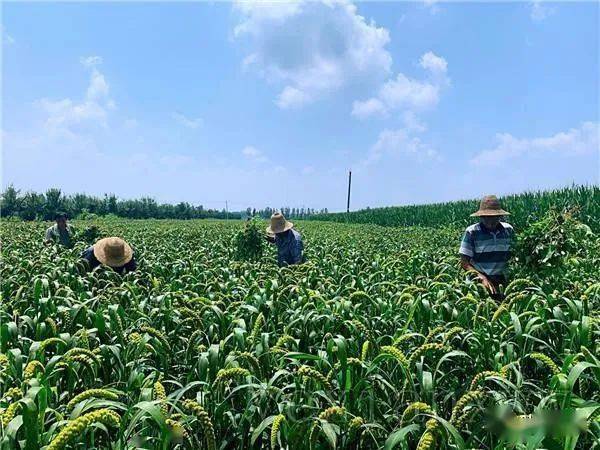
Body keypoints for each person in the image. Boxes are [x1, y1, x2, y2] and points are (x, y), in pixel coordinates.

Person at [459, 195, 514, 301]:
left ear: (499, 216)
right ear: (481, 216)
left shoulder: (508, 230)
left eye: (493, 217)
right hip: (479, 284)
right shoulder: (472, 232)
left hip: (502, 282)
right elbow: (464, 262)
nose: (490, 221)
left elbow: (514, 255)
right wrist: (482, 278)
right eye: (486, 217)